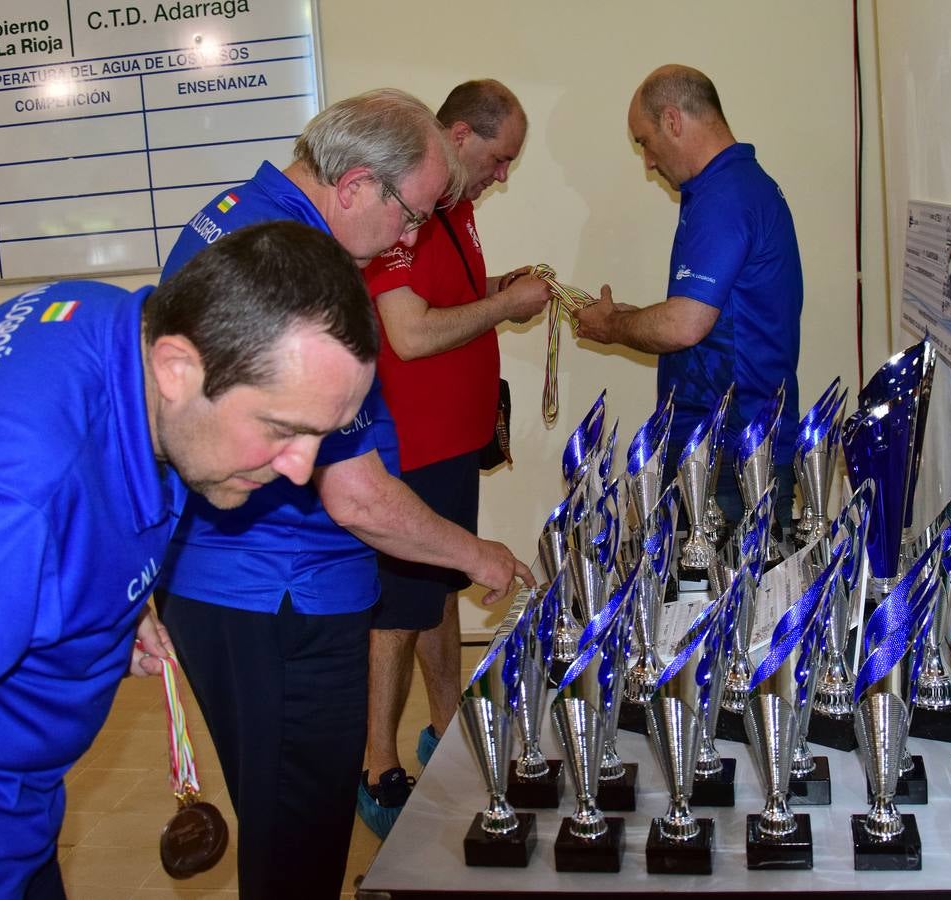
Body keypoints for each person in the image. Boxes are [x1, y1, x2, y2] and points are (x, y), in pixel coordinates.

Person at [0, 221, 377, 898]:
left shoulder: (108, 322)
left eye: (319, 437)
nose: (301, 472)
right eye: (282, 430)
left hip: (10, 821)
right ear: (178, 367)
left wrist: (97, 602)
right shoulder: (12, 502)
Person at [156, 88, 533, 898]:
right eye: (410, 214)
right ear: (356, 184)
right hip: (277, 594)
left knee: (282, 823)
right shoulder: (301, 271)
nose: (409, 236)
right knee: (299, 844)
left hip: (225, 583)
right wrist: (481, 557)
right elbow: (355, 495)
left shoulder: (238, 211)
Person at [356, 79, 551, 837]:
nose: (503, 175)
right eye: (499, 159)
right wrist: (503, 306)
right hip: (410, 447)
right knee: (394, 616)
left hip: (450, 442)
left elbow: (445, 302)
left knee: (437, 594)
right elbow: (407, 334)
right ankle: (378, 768)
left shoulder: (453, 204)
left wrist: (504, 286)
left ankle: (445, 727)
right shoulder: (404, 208)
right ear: (462, 135)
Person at [575, 64, 803, 527]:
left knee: (715, 598)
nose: (650, 162)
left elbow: (685, 325)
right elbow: (712, 315)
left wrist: (612, 326)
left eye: (645, 141)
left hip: (730, 456)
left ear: (673, 121)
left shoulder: (726, 195)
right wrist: (633, 315)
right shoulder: (730, 187)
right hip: (728, 448)